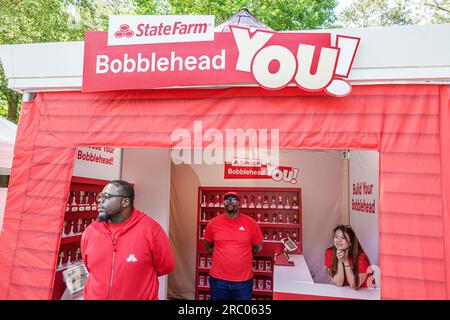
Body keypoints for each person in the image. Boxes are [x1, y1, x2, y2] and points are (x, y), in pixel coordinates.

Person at [81, 180, 175, 300]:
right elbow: (90, 267)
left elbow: (166, 266)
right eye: (100, 196)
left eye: (106, 196)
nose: (99, 200)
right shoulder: (91, 232)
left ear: (125, 202)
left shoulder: (151, 230)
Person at [204, 191, 264, 300]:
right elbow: (208, 245)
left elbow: (258, 247)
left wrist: (243, 256)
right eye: (227, 200)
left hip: (243, 282)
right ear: (224, 203)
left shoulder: (251, 223)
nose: (230, 202)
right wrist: (221, 256)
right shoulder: (213, 223)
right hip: (218, 280)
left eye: (233, 200)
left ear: (240, 203)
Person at [324, 224, 372, 289]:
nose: (338, 240)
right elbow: (339, 283)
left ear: (350, 242)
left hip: (366, 292)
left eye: (343, 238)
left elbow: (354, 285)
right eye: (336, 237)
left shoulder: (361, 257)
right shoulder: (329, 252)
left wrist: (346, 261)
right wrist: (340, 261)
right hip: (344, 292)